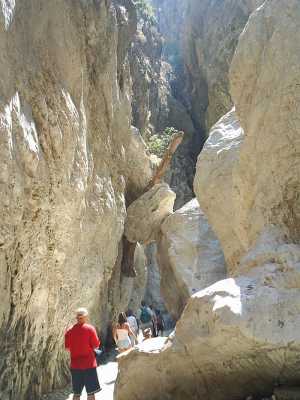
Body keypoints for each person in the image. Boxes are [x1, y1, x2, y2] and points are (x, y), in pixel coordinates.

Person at [65, 307, 101, 400]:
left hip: (75, 366)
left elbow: (68, 348)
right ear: (85, 317)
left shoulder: (69, 331)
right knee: (91, 393)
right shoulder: (90, 329)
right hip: (89, 365)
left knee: (76, 394)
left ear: (76, 318)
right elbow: (96, 345)